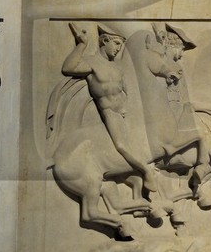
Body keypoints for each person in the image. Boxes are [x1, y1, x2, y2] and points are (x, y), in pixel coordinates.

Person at [61, 23, 170, 198]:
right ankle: (146, 171)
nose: (118, 49)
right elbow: (68, 68)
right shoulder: (92, 63)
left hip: (128, 110)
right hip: (111, 113)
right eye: (116, 44)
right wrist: (81, 44)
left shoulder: (117, 66)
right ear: (105, 40)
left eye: (121, 45)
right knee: (121, 146)